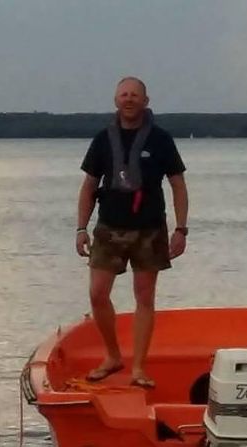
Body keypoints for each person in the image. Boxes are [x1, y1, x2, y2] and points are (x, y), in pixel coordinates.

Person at [75, 76, 189, 389]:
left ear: (145, 101)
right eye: (124, 94)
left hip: (149, 229)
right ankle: (112, 356)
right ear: (116, 100)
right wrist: (81, 228)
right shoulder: (102, 140)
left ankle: (138, 367)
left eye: (135, 95)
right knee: (97, 293)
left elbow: (178, 184)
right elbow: (88, 186)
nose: (129, 99)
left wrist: (180, 229)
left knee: (144, 296)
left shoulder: (161, 139)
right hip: (109, 227)